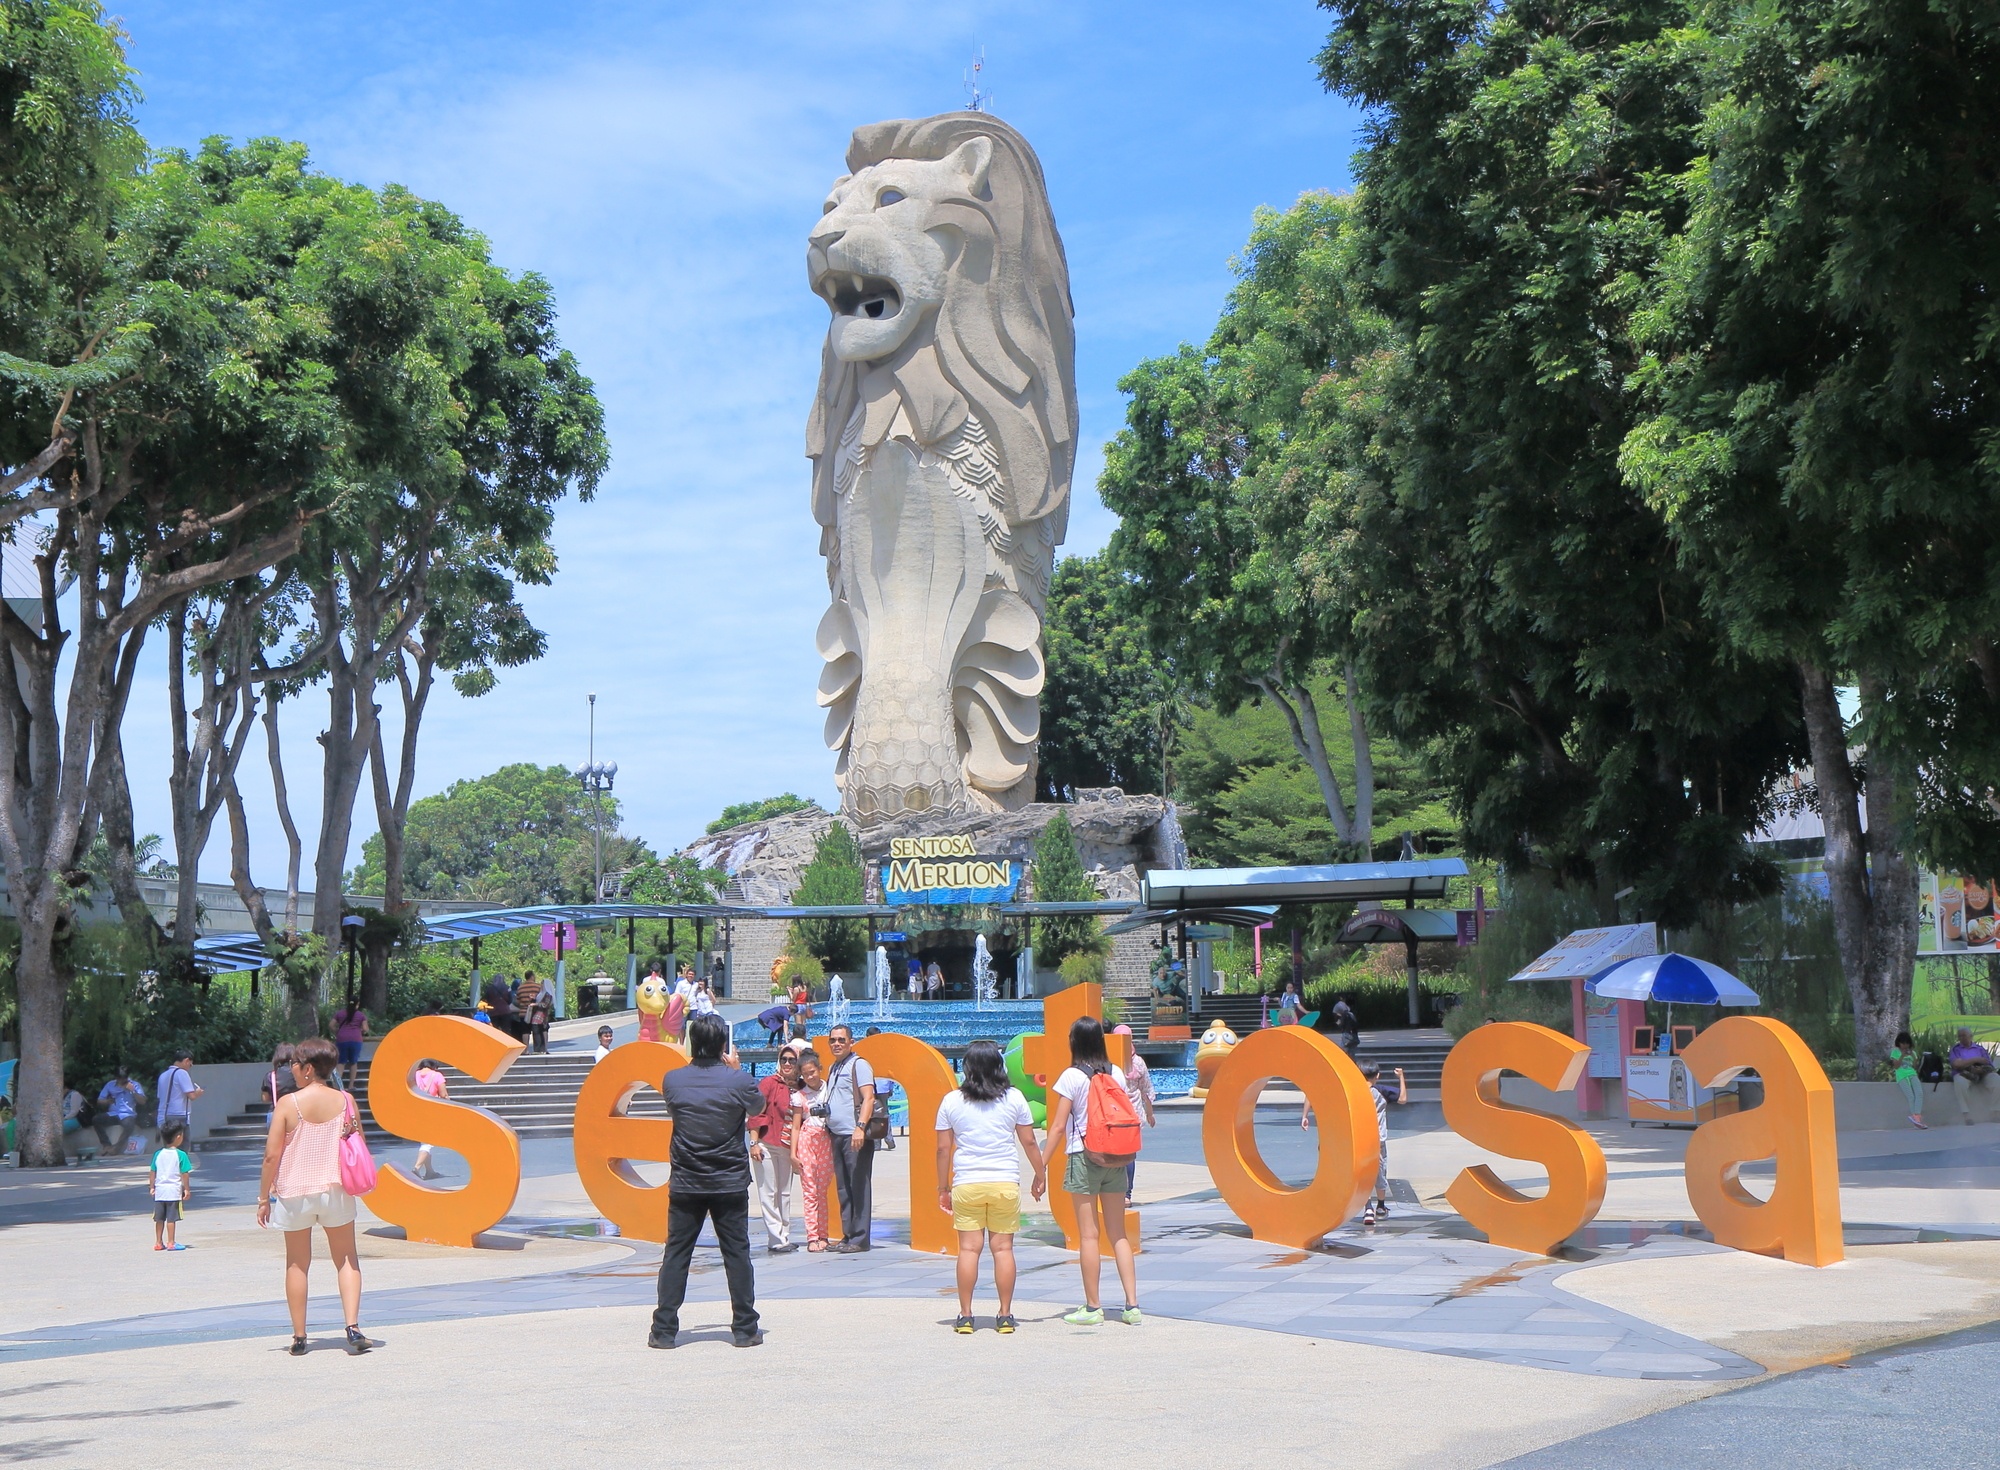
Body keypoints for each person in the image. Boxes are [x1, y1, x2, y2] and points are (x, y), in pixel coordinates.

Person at [650, 1012, 763, 1349]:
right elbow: (758, 1105)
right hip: (728, 1181)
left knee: (677, 1254)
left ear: (692, 1042)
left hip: (687, 1181)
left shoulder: (672, 1080)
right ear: (722, 1045)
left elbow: (676, 1110)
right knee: (737, 1254)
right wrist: (735, 1069)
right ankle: (744, 1328)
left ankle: (664, 1330)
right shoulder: (738, 1081)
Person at [256, 1036, 370, 1356]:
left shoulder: (288, 1104)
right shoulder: (346, 1100)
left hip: (295, 1194)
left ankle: (299, 1337)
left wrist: (263, 1198)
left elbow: (271, 1156)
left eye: (294, 1063)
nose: (291, 1069)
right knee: (347, 1259)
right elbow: (356, 1140)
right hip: (335, 1189)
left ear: (307, 1069)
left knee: (297, 1264)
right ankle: (352, 1327)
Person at [936, 1038, 1044, 1333]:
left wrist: (942, 1188)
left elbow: (943, 1150)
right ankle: (1005, 1315)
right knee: (1003, 1250)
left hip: (967, 1183)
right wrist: (1040, 1173)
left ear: (968, 1068)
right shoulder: (1014, 1098)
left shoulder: (951, 1101)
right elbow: (1029, 1141)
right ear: (1000, 1065)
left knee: (969, 1251)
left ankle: (966, 1315)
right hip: (1004, 1182)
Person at [1041, 1016, 1141, 1326]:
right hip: (1116, 1157)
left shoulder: (1071, 1076)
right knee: (1118, 1235)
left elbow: (1057, 1127)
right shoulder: (1116, 1074)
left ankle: (1093, 1306)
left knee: (1088, 1235)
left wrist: (1039, 1166)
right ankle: (1132, 1306)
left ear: (1074, 1042)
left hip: (1084, 1157)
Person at [824, 1025, 879, 1252]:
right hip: (836, 1134)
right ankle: (848, 1235)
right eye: (833, 1040)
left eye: (841, 1040)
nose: (837, 1044)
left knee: (858, 1186)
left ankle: (860, 1238)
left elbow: (869, 1097)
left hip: (853, 1135)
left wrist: (860, 1127)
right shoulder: (834, 1066)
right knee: (844, 1188)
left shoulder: (860, 1065)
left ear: (851, 1042)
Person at [751, 1048, 800, 1254]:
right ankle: (776, 1238)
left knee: (785, 1192)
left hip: (788, 1147)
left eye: (791, 1060)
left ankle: (784, 1235)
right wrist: (754, 1142)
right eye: (784, 1059)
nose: (787, 1063)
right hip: (767, 1144)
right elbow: (756, 1113)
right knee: (768, 1192)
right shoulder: (769, 1083)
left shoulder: (800, 1086)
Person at [790, 1047, 836, 1251]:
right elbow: (796, 1125)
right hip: (807, 1141)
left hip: (826, 1140)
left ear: (819, 1069)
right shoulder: (800, 1096)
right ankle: (812, 1236)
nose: (809, 1077)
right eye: (805, 1074)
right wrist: (793, 1153)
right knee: (809, 1191)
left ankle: (824, 1234)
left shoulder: (830, 1089)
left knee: (822, 1191)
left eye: (812, 1072)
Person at [1111, 1024, 1157, 1202]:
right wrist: (1150, 1113)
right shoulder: (1138, 1062)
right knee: (1129, 1155)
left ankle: (1114, 1191)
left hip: (1114, 1113)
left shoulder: (1110, 1062)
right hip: (1134, 1116)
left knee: (1114, 1154)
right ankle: (1127, 1194)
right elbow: (1146, 1090)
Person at [150, 1119, 195, 1251]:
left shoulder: (158, 1154)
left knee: (159, 1218)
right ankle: (171, 1242)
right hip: (173, 1191)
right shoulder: (181, 1155)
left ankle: (158, 1242)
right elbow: (184, 1173)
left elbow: (153, 1171)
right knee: (171, 1218)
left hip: (160, 1191)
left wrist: (152, 1187)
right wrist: (186, 1189)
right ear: (178, 1137)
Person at [1949, 1027, 1996, 1124]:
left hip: (1982, 1073)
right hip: (1964, 1074)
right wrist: (1976, 1059)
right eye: (1960, 1036)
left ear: (1971, 1036)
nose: (1962, 1038)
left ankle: (1996, 1112)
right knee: (1959, 1082)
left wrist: (1980, 1069)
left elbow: (1988, 1063)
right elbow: (1957, 1065)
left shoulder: (1980, 1049)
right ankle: (1967, 1115)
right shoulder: (1956, 1049)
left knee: (1997, 1081)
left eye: (1964, 1035)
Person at [411, 1060, 448, 1180]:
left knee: (424, 1140)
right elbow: (443, 1095)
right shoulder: (437, 1075)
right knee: (428, 1143)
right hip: (432, 1111)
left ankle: (429, 1171)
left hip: (416, 1111)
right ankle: (416, 1168)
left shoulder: (414, 1075)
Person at [96, 1067, 146, 1154]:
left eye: (124, 1078)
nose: (122, 1080)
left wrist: (133, 1091)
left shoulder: (135, 1085)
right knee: (96, 1119)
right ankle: (106, 1145)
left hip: (127, 1114)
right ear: (116, 1077)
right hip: (113, 1113)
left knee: (129, 1125)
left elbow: (143, 1101)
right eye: (119, 1078)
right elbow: (99, 1100)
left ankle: (116, 1148)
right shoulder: (110, 1085)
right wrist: (107, 1101)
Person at [156, 1050, 202, 1137]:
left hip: (163, 1116)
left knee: (169, 1146)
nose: (190, 1067)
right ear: (186, 1061)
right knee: (182, 1147)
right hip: (178, 1116)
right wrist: (198, 1092)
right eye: (190, 1064)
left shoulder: (163, 1075)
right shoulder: (182, 1073)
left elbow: (160, 1096)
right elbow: (191, 1096)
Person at [1890, 1030, 1928, 1129]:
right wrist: (1902, 1055)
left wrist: (1913, 1057)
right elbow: (1896, 1066)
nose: (1905, 1045)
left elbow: (1915, 1067)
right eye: (1903, 1043)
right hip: (1902, 1076)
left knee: (1919, 1093)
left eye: (1907, 1043)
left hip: (1912, 1074)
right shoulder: (1895, 1052)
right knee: (1910, 1096)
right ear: (1899, 1043)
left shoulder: (1913, 1053)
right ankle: (1916, 1119)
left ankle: (1916, 1116)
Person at [333, 1002, 370, 1084]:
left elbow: (331, 1025)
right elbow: (365, 1029)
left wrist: (337, 1032)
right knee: (353, 1062)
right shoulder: (361, 1015)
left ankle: (338, 1086)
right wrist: (360, 1031)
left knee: (341, 1062)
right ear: (357, 1004)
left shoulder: (340, 1013)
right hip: (356, 1039)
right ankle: (351, 1085)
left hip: (342, 1039)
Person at [527, 987, 554, 1055]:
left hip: (542, 1017)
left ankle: (540, 1049)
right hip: (536, 1016)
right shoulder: (540, 994)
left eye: (542, 984)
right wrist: (533, 999)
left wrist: (536, 1004)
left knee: (539, 1032)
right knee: (536, 1032)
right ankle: (537, 1049)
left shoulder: (548, 995)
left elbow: (545, 1005)